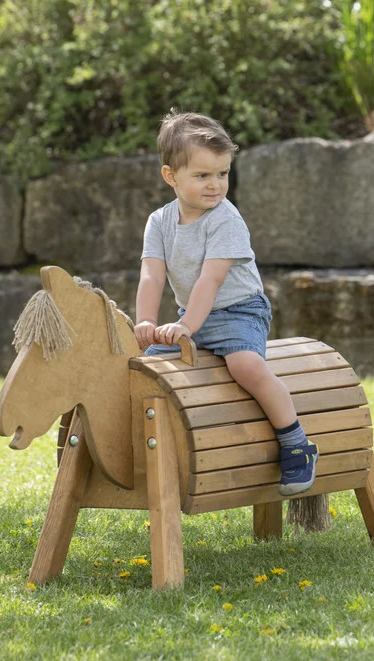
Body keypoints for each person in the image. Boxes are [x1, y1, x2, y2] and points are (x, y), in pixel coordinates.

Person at [134, 110, 316, 496]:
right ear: (171, 176)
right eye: (202, 175)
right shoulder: (159, 222)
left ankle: (296, 443)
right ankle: (153, 447)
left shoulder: (225, 219)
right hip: (193, 316)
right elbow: (152, 275)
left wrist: (187, 326)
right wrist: (146, 320)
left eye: (223, 173)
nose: (215, 185)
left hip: (239, 311)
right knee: (147, 367)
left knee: (245, 365)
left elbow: (211, 279)